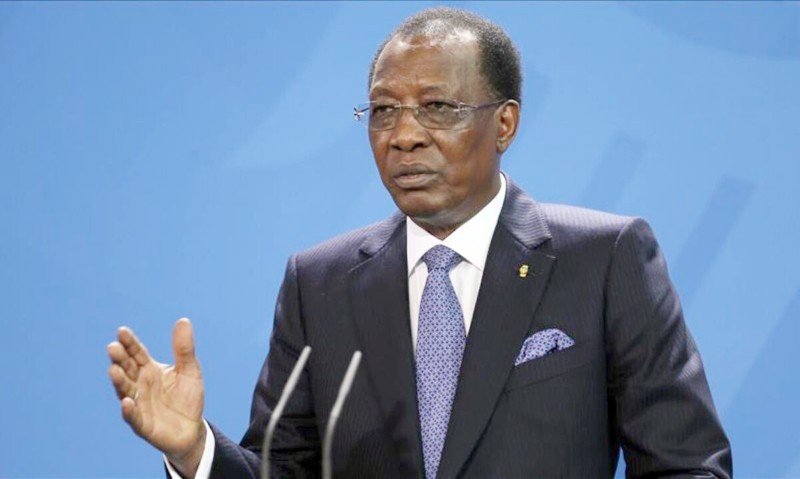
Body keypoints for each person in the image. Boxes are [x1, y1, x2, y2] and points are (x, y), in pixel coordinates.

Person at [107, 7, 732, 478]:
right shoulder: (317, 284)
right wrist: (195, 450)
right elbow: (284, 469)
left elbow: (687, 466)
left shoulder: (604, 258)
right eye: (383, 111)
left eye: (436, 107)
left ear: (505, 123)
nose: (403, 135)